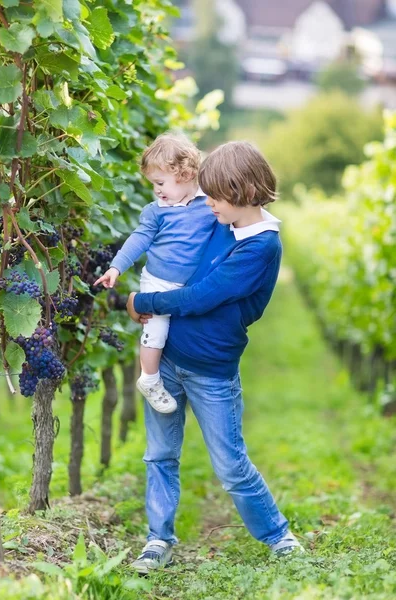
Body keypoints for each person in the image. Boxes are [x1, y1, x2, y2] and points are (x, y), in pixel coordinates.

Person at [126, 141, 304, 574]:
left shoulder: (261, 246)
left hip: (211, 370)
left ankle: (279, 536)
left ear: (242, 192)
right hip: (168, 358)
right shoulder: (220, 218)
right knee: (159, 455)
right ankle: (158, 539)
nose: (207, 204)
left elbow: (205, 295)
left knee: (230, 465)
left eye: (215, 197)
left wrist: (142, 299)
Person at [94, 133, 216, 413]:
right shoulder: (156, 211)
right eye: (153, 185)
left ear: (186, 174)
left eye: (161, 183)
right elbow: (138, 239)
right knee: (156, 330)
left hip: (189, 286)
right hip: (158, 282)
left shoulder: (209, 204)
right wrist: (116, 267)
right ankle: (149, 379)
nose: (157, 190)